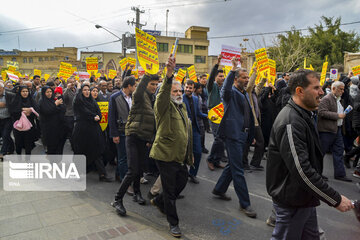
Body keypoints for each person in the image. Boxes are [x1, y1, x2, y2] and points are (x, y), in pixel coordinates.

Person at [266, 69, 354, 240]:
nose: (322, 92)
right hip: (292, 201)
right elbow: (301, 170)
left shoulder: (304, 114)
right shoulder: (291, 121)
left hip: (303, 199)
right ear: (299, 91)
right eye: (316, 88)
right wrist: (334, 199)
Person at [149, 55, 193, 238]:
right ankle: (173, 223)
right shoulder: (163, 106)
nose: (179, 93)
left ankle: (159, 201)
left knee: (181, 182)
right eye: (175, 91)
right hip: (165, 155)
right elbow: (163, 93)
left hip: (180, 156)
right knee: (169, 190)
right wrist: (169, 74)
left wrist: (190, 156)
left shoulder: (181, 107)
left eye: (180, 90)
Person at [212, 57, 257, 218]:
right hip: (232, 136)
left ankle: (219, 189)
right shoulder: (230, 93)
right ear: (236, 79)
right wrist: (232, 69)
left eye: (247, 77)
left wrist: (251, 135)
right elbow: (224, 90)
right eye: (244, 77)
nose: (246, 80)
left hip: (242, 135)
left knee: (233, 165)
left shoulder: (244, 93)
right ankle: (245, 204)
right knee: (238, 170)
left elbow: (248, 116)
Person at [111, 68, 159, 216]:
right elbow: (140, 88)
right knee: (132, 170)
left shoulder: (153, 98)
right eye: (151, 83)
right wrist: (148, 72)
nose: (154, 86)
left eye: (156, 84)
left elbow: (154, 121)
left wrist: (150, 139)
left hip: (144, 138)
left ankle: (137, 193)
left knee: (139, 169)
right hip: (132, 135)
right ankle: (117, 200)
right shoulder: (139, 95)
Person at [72, 84, 112, 182]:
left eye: (88, 90)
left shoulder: (93, 101)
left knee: (97, 151)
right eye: (84, 90)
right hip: (82, 131)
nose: (87, 92)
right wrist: (93, 116)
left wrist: (98, 117)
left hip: (94, 130)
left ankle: (102, 174)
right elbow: (84, 112)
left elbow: (99, 112)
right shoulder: (79, 101)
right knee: (80, 152)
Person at [317, 81, 352, 182]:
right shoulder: (326, 99)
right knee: (321, 153)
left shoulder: (338, 99)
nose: (342, 91)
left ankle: (340, 174)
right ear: (333, 89)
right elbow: (322, 112)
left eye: (343, 89)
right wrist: (337, 116)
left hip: (337, 129)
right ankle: (317, 174)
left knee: (339, 151)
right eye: (340, 89)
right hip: (326, 130)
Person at [108, 76, 137, 182]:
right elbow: (111, 117)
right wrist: (114, 134)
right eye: (134, 86)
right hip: (120, 132)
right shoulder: (115, 97)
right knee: (122, 157)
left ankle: (119, 174)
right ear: (129, 86)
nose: (135, 88)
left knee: (127, 157)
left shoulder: (134, 97)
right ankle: (124, 179)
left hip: (131, 131)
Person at [183, 80, 207, 184]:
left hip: (195, 129)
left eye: (190, 88)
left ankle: (192, 174)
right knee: (182, 155)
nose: (188, 89)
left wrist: (209, 116)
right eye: (186, 87)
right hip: (183, 130)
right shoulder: (180, 98)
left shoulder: (196, 99)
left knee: (197, 152)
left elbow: (198, 113)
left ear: (194, 89)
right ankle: (181, 175)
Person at [242, 68, 267, 170]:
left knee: (261, 143)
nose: (254, 86)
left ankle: (255, 163)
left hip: (256, 123)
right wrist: (254, 73)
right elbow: (250, 85)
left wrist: (264, 78)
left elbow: (259, 86)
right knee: (247, 144)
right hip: (249, 123)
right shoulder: (247, 93)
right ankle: (244, 164)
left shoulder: (254, 93)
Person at [206, 55, 226, 170]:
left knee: (222, 139)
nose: (223, 78)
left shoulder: (224, 87)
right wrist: (217, 65)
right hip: (213, 115)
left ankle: (217, 160)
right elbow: (210, 78)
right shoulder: (211, 86)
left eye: (224, 76)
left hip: (223, 115)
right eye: (220, 76)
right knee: (218, 138)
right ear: (215, 77)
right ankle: (210, 159)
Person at [9, 85, 39, 155]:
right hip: (18, 126)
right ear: (20, 92)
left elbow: (37, 110)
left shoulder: (31, 100)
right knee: (18, 143)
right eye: (23, 91)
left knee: (28, 143)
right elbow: (12, 111)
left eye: (26, 91)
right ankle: (19, 158)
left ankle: (28, 159)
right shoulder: (16, 100)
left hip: (29, 125)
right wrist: (22, 110)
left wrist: (30, 111)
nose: (25, 93)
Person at [39, 86, 66, 154]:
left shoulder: (53, 99)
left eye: (50, 91)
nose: (49, 93)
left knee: (58, 145)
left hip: (57, 126)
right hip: (48, 128)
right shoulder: (42, 101)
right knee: (51, 146)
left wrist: (58, 103)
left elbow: (62, 109)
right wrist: (55, 105)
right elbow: (47, 111)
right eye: (47, 92)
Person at [0, 82, 15, 159]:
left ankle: (2, 152)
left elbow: (14, 105)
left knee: (5, 135)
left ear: (3, 88)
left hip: (8, 118)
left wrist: (5, 105)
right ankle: (11, 148)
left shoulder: (10, 95)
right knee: (4, 135)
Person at [63, 77, 79, 148]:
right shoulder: (65, 90)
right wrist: (67, 89)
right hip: (69, 114)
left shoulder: (77, 90)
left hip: (77, 114)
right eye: (70, 82)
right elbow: (63, 98)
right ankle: (73, 145)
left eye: (73, 82)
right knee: (71, 131)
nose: (72, 83)